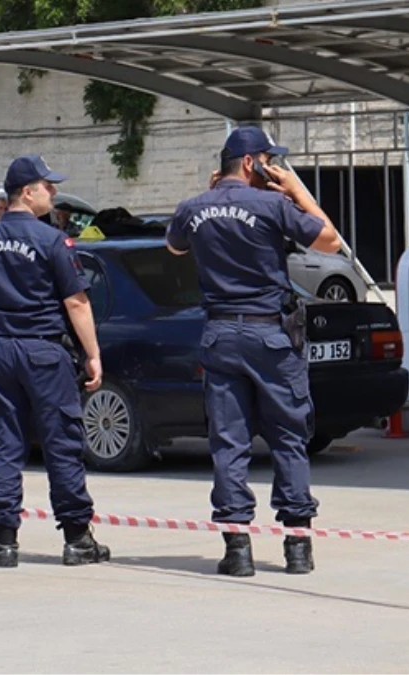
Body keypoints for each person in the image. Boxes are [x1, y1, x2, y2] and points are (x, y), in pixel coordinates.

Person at [165, 126, 342, 577]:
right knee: (288, 435)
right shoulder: (272, 203)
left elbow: (173, 244)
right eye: (270, 162)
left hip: (221, 335)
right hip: (270, 335)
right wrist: (296, 188)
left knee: (229, 441)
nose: (275, 170)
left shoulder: (194, 207)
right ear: (251, 163)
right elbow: (330, 239)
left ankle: (237, 548)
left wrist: (211, 198)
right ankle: (297, 548)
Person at [0, 154, 109, 568]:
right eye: (49, 186)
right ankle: (77, 538)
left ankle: (3, 541)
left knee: (6, 444)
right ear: (27, 192)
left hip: (3, 351)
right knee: (61, 443)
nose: (55, 192)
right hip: (45, 350)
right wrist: (93, 355)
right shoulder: (52, 241)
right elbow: (77, 302)